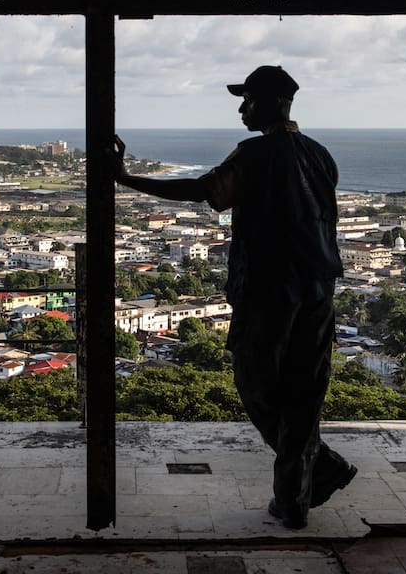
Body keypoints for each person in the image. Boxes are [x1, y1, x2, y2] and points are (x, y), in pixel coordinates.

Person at [114, 64, 356, 529]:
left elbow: (201, 190)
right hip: (319, 289)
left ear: (270, 102)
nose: (242, 108)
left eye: (247, 99)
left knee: (256, 384)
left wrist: (126, 180)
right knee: (304, 392)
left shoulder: (256, 153)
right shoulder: (320, 155)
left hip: (270, 289)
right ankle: (307, 486)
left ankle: (306, 485)